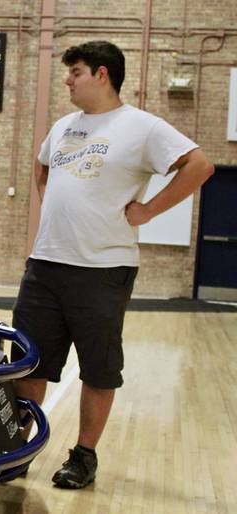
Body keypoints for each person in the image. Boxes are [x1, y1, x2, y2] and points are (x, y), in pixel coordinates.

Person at [13, 41, 213, 489]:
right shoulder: (64, 126)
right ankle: (18, 448)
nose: (68, 79)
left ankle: (83, 457)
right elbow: (42, 167)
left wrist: (148, 211)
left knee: (99, 369)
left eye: (76, 72)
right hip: (45, 265)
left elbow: (199, 165)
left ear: (103, 75)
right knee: (29, 363)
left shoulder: (141, 127)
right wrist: (52, 206)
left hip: (103, 271)